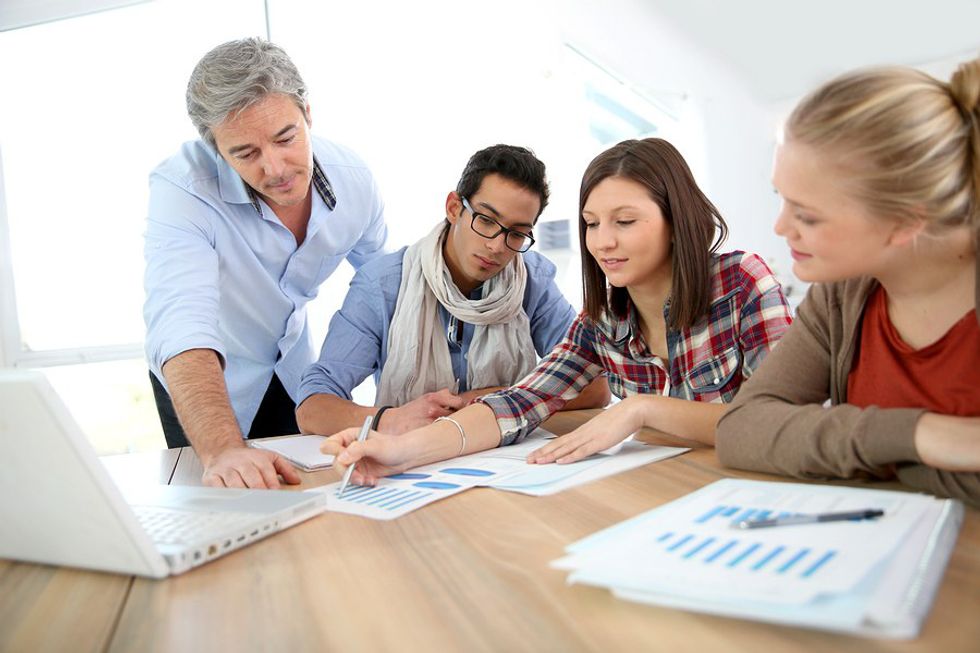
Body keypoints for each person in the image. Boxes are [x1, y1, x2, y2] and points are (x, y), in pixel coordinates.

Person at [321, 138, 792, 484]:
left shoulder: (742, 282)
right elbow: (517, 403)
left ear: (676, 220)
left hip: (753, 490)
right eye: (591, 224)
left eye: (625, 221)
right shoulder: (602, 321)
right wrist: (400, 451)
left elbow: (781, 423)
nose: (603, 242)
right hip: (661, 493)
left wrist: (642, 409)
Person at [716, 59, 980, 505]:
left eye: (807, 216)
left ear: (905, 222)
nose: (781, 227)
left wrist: (849, 453)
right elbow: (741, 429)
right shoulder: (842, 294)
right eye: (782, 198)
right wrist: (919, 435)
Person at [143, 38, 388, 489]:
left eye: (285, 138)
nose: (275, 168)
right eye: (245, 153)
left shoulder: (354, 181)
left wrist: (398, 413)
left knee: (308, 491)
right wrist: (222, 450)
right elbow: (181, 320)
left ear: (307, 113)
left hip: (292, 368)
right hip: (205, 380)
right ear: (217, 149)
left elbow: (385, 292)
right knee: (224, 497)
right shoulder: (182, 190)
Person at [295, 145, 610, 436]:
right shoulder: (383, 285)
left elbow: (595, 386)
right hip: (411, 454)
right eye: (486, 220)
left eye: (517, 234)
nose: (497, 246)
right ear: (454, 208)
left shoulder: (532, 279)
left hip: (502, 454)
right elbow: (313, 405)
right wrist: (390, 419)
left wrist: (487, 401)